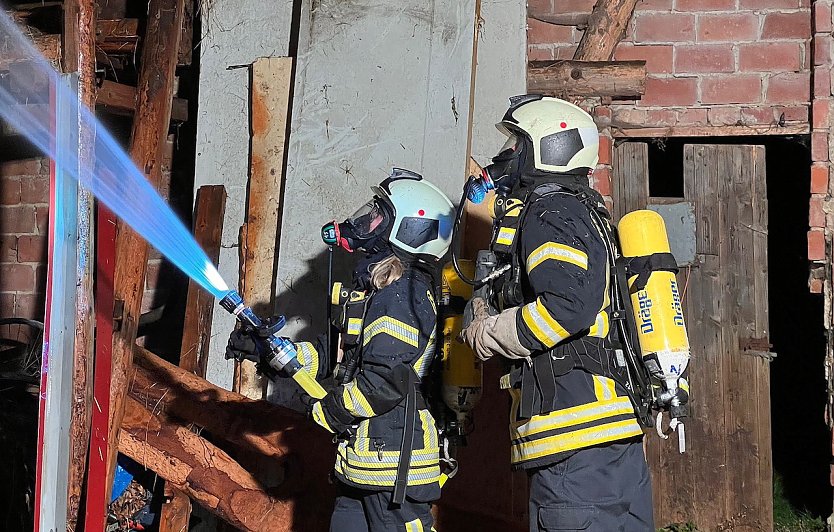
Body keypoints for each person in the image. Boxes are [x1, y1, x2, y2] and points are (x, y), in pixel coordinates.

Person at [460, 95, 654, 531]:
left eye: (518, 144)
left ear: (549, 147)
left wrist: (492, 332)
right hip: (610, 440)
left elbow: (569, 307)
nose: (507, 156)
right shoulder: (581, 210)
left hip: (575, 444)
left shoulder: (549, 212)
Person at [227, 168, 455, 532]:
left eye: (380, 214)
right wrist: (275, 352)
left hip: (394, 466)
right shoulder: (380, 291)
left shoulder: (401, 296)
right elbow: (339, 355)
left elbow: (385, 381)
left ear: (411, 228)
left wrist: (331, 410)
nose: (367, 220)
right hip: (363, 465)